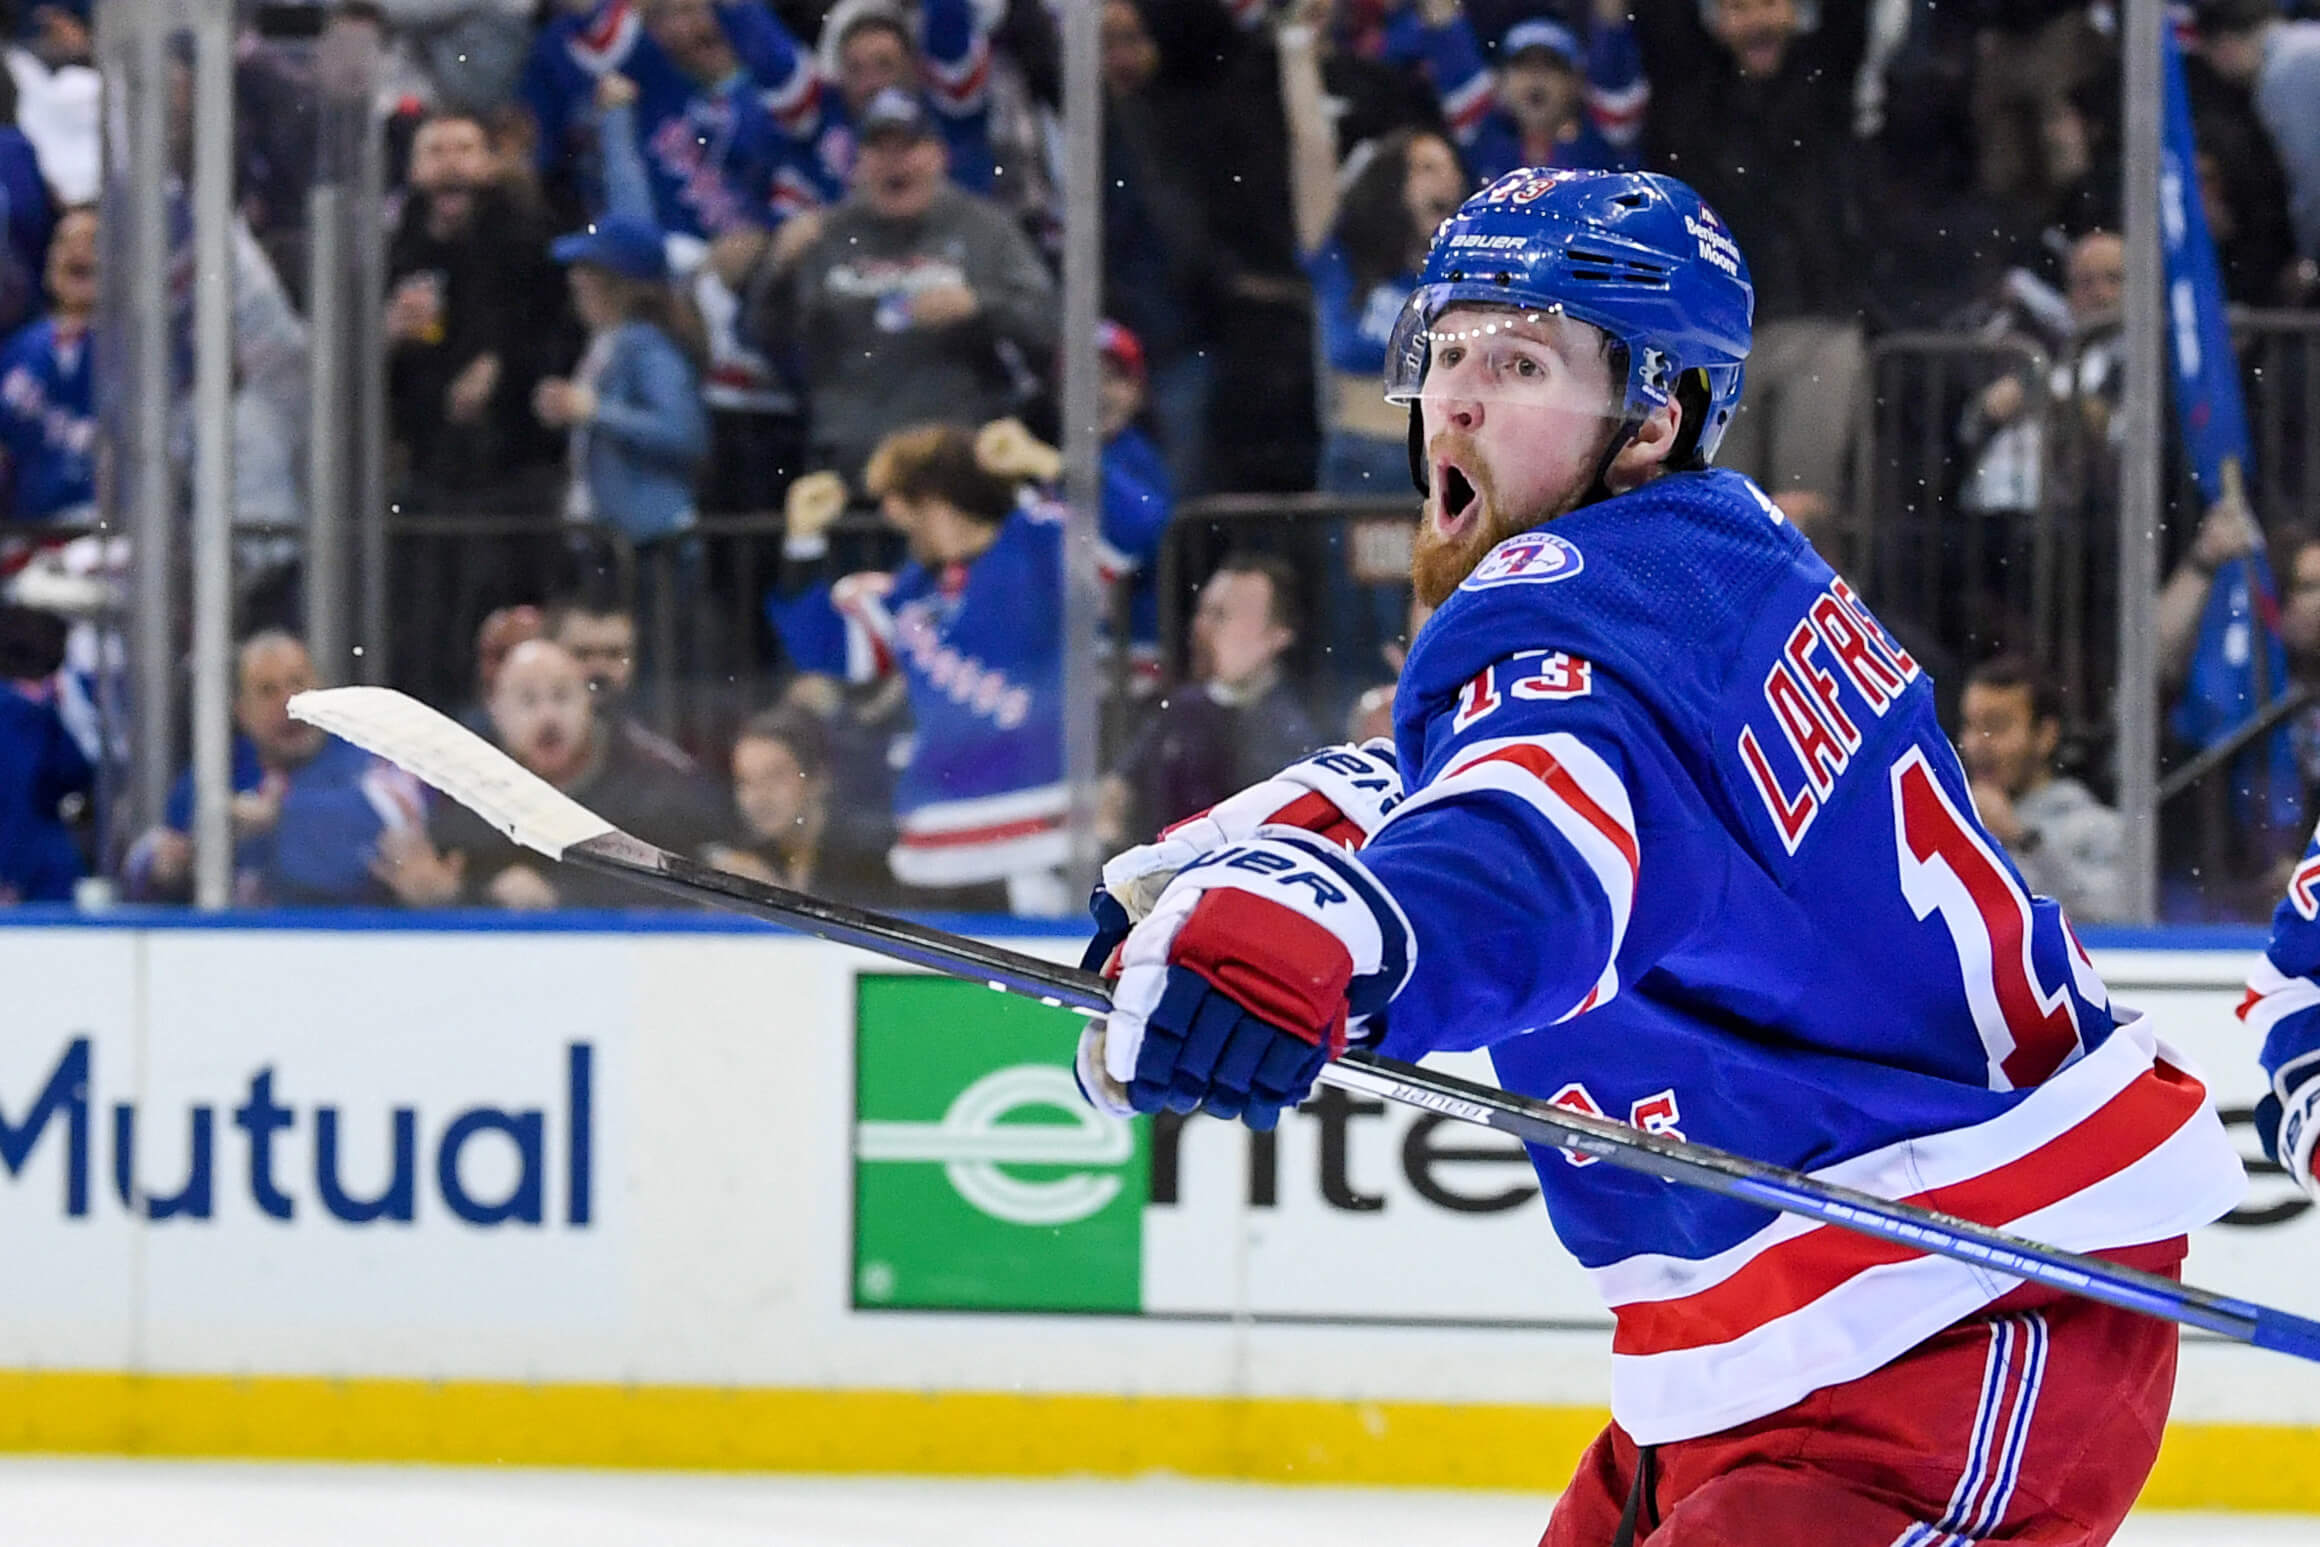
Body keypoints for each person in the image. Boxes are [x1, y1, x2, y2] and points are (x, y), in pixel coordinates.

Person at [1072, 168, 2242, 1544]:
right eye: (1445, 351)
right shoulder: (1707, 562)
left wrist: (1349, 939)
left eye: (1520, 359)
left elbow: (1542, 849)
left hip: (1953, 1312)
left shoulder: (1568, 616)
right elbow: (1536, 779)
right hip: (1796, 1317)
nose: (1453, 398)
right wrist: (1261, 853)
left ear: (1656, 413)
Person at [764, 422, 1070, 915]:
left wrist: (1049, 465)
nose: (891, 515)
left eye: (900, 500)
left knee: (1026, 988)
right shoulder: (915, 592)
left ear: (938, 500)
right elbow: (826, 649)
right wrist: (803, 544)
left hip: (1031, 835)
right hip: (931, 846)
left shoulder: (1035, 547)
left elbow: (1135, 526)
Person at [743, 88, 1057, 484]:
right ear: (858, 163)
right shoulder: (823, 235)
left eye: (908, 146)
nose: (895, 162)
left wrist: (981, 305)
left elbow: (1048, 326)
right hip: (851, 467)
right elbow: (768, 342)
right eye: (879, 148)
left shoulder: (987, 230)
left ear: (939, 155)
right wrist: (778, 273)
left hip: (959, 467)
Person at [377, 637, 724, 910]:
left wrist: (562, 893)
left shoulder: (653, 784)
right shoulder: (462, 786)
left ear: (588, 704)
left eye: (561, 697)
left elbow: (683, 882)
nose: (548, 717)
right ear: (496, 711)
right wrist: (451, 894)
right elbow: (438, 872)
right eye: (528, 701)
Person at [122, 632, 429, 908]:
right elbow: (140, 869)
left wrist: (280, 817)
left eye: (298, 683)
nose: (289, 701)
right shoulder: (213, 777)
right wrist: (159, 868)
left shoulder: (370, 762)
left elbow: (385, 823)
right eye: (268, 691)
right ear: (241, 711)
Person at [1101, 553, 1322, 847]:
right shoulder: (1182, 708)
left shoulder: (1295, 732)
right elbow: (1118, 791)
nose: (1203, 627)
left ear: (1278, 636)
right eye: (1203, 611)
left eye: (1221, 615)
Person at [534, 210, 709, 547]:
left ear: (617, 281)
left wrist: (593, 410)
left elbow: (684, 434)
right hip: (607, 537)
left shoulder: (650, 347)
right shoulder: (606, 341)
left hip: (653, 542)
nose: (575, 279)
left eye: (588, 268)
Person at [1956, 654, 2125, 923]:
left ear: (2045, 735)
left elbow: (2115, 919)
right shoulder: (1947, 824)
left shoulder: (2100, 828)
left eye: (1995, 726)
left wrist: (2023, 840)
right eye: (1970, 725)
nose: (1977, 743)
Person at [705, 705, 895, 907]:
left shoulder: (872, 856)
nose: (758, 798)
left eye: (774, 777)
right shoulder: (743, 859)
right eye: (745, 781)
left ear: (818, 779)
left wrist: (775, 898)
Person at [0, 203, 94, 524]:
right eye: (65, 241)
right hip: (30, 536)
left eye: (93, 241)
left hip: (110, 536)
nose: (78, 249)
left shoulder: (136, 353)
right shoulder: (17, 351)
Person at [0, 601, 90, 904]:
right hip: (32, 873)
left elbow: (73, 772)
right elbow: (18, 794)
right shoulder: (21, 711)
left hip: (40, 870)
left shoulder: (36, 711)